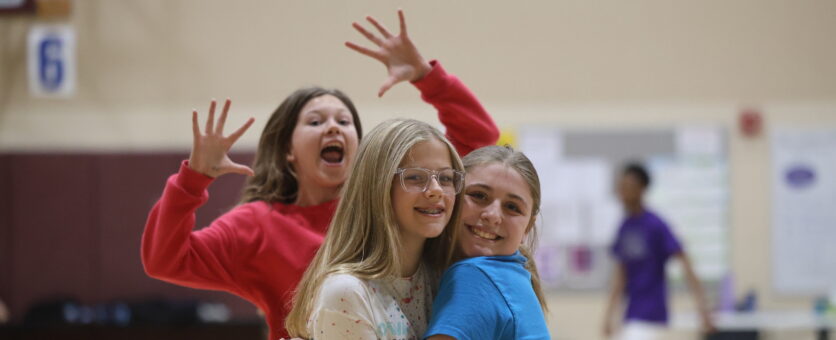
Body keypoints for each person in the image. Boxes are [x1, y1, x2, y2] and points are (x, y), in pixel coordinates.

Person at [141, 10, 498, 340]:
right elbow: (165, 260)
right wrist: (193, 180)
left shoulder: (393, 200)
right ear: (288, 150)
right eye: (315, 121)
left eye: (345, 121)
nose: (333, 129)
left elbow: (479, 146)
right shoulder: (256, 226)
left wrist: (427, 77)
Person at [285, 118, 464, 340]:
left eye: (446, 178)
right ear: (377, 186)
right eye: (415, 177)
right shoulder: (345, 292)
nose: (436, 190)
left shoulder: (447, 277)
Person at [424, 145, 551, 340]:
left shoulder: (474, 275)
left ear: (527, 227)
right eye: (479, 195)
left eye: (512, 207)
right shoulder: (514, 277)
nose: (492, 216)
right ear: (451, 197)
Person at [602, 163, 715, 340]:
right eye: (621, 187)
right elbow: (620, 275)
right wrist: (608, 315)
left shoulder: (656, 225)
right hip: (632, 313)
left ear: (642, 189)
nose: (623, 192)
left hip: (652, 314)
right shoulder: (624, 227)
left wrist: (703, 309)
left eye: (628, 187)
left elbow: (685, 263)